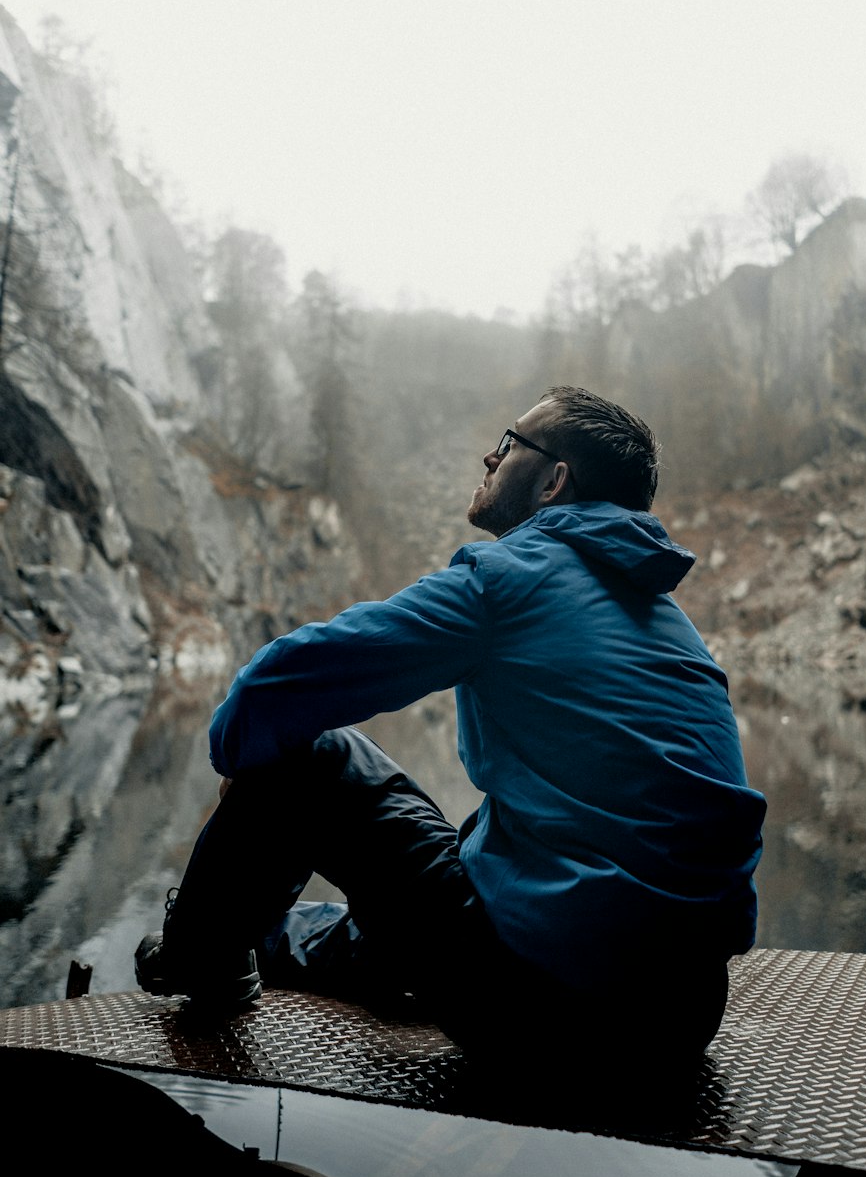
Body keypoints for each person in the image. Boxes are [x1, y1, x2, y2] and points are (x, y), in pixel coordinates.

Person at [136, 386, 765, 1091]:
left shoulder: (510, 580)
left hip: (544, 1015)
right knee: (466, 861)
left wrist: (247, 765)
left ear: (554, 481)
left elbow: (279, 685)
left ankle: (199, 960)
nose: (490, 454)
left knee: (316, 756)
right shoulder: (670, 623)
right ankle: (270, 939)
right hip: (678, 1022)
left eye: (510, 441)